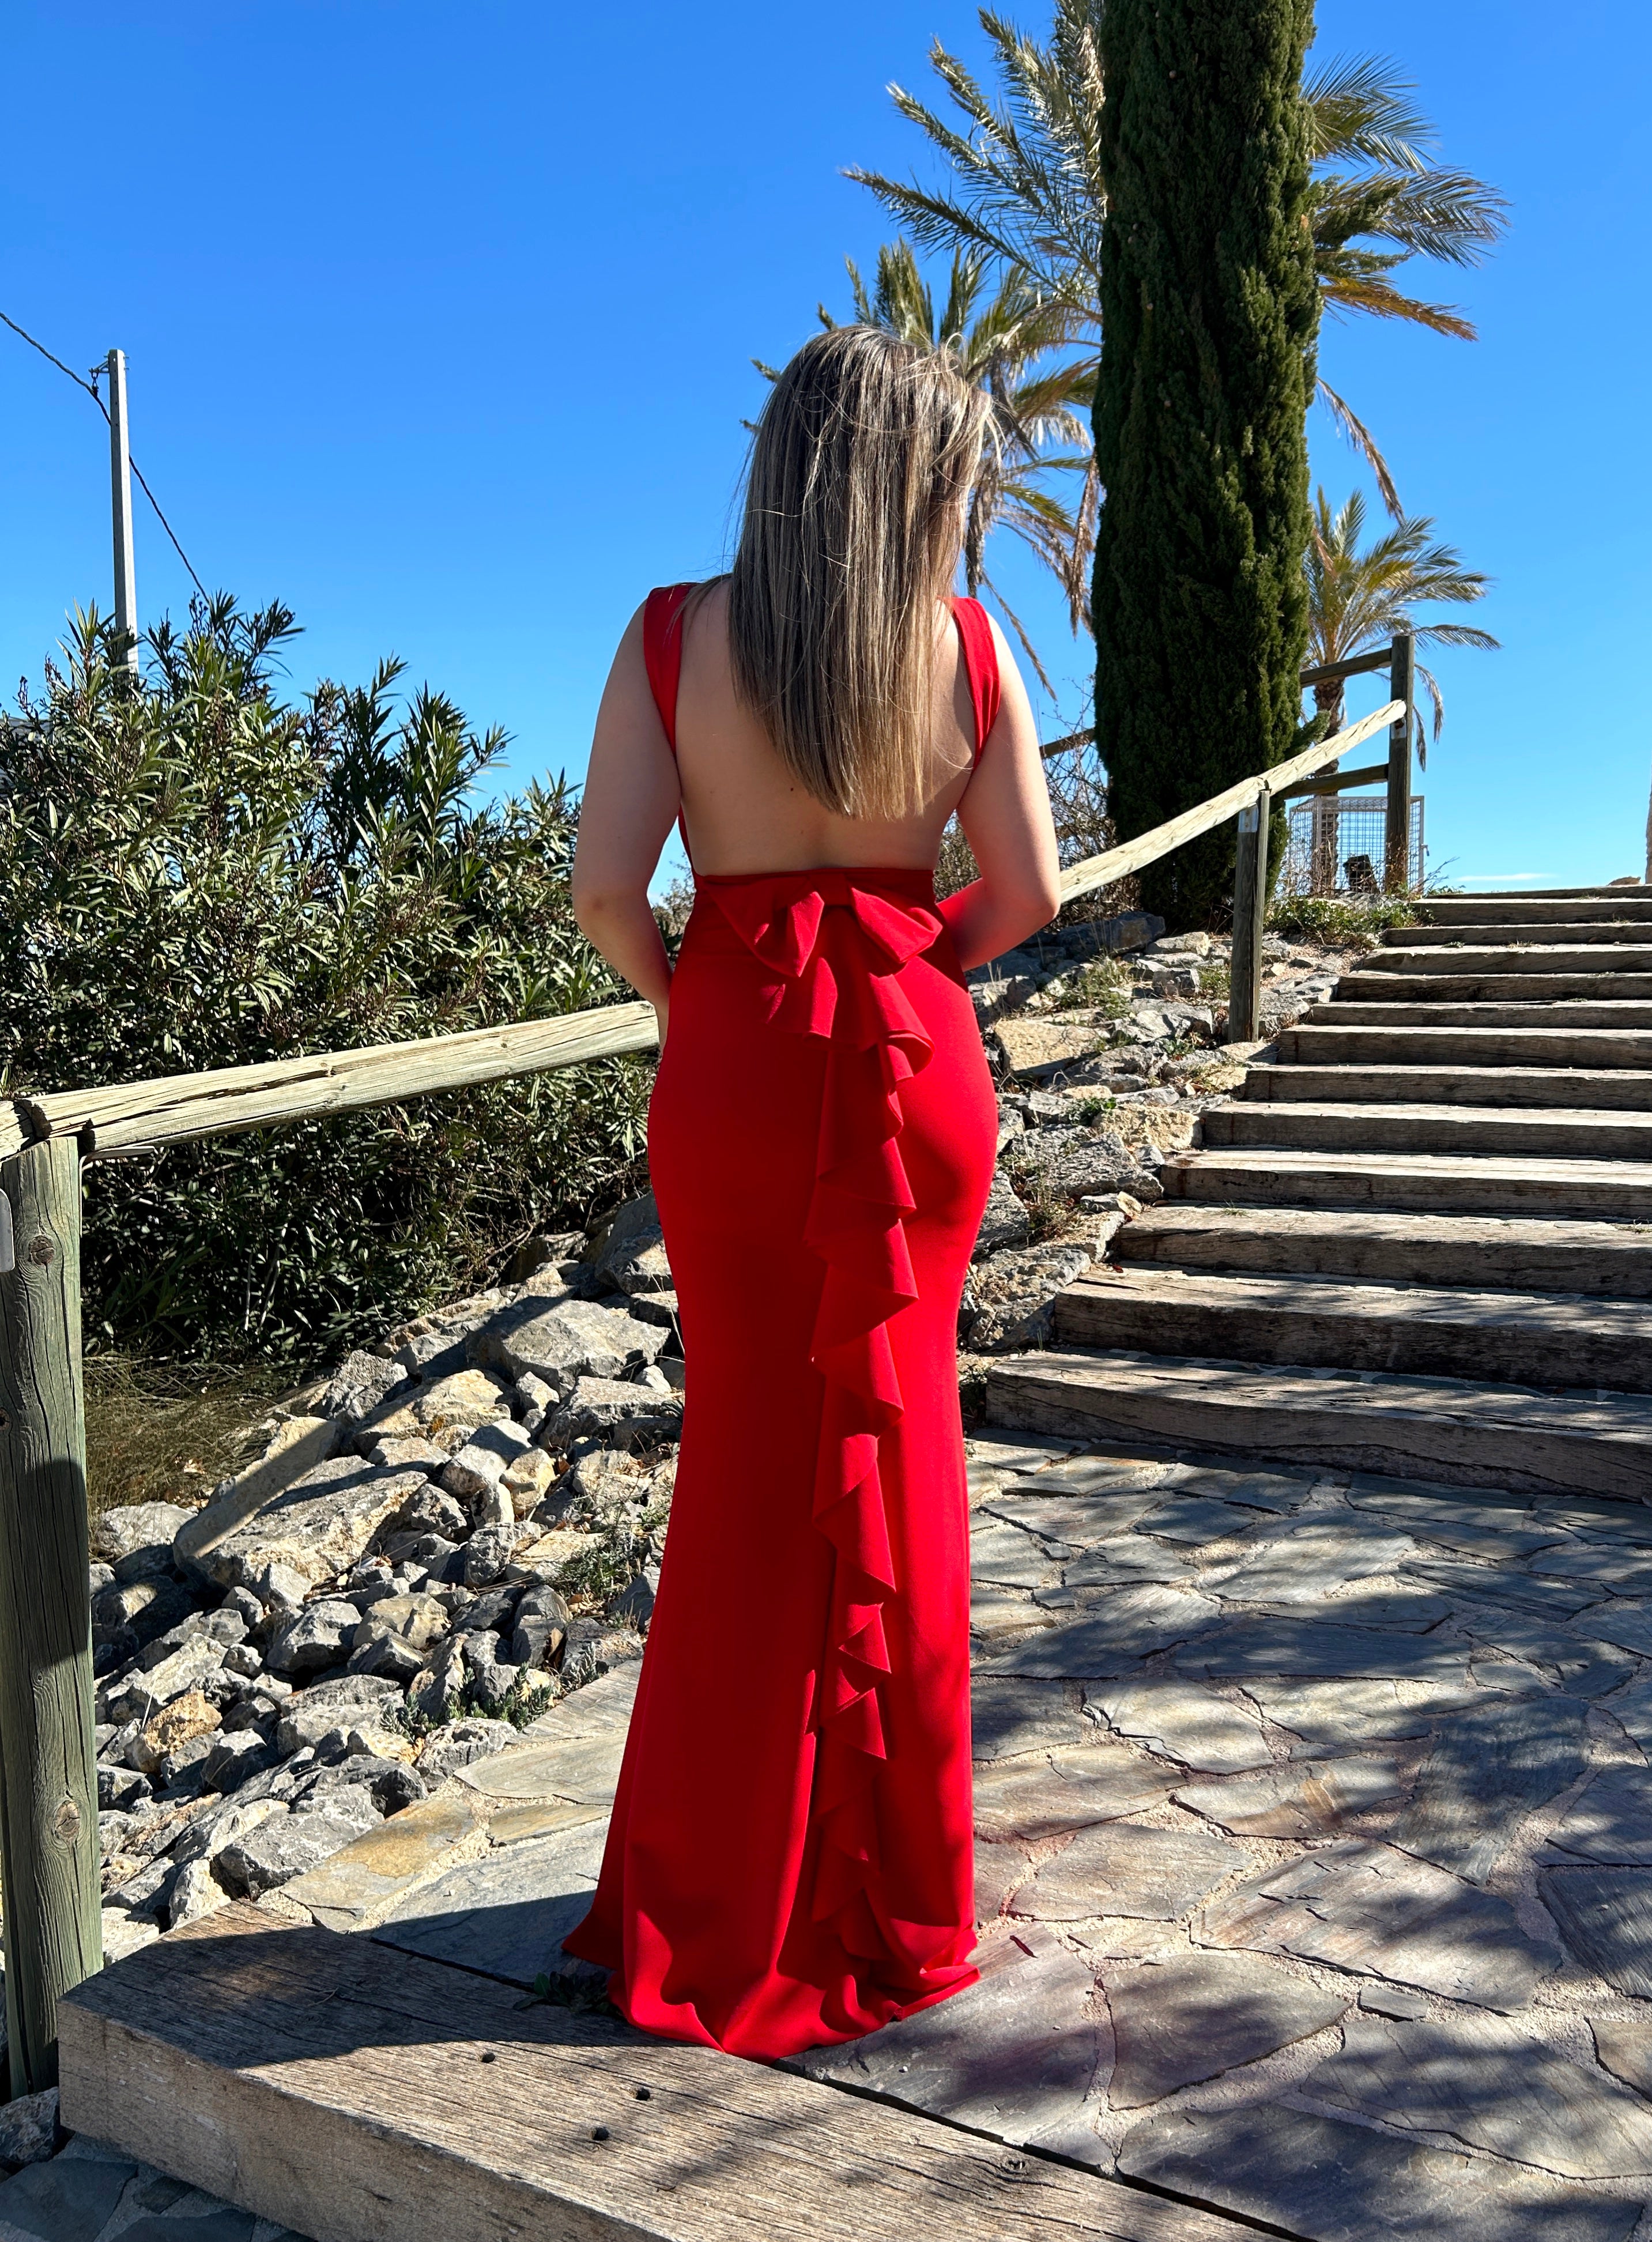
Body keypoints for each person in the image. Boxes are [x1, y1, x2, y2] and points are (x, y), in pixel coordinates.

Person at [565, 324, 1061, 2060]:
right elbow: (1030, 890)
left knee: (747, 1462)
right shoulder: (968, 650)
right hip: (920, 1063)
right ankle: (894, 1900)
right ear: (921, 484)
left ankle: (711, 1897)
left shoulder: (673, 635)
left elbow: (607, 895)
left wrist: (706, 998)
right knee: (902, 1447)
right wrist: (912, 956)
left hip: (737, 1054)